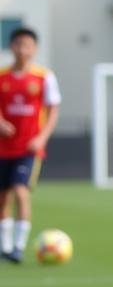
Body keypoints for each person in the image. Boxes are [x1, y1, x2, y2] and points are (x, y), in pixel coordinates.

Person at [1, 27, 61, 263]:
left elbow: (53, 109)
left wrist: (41, 138)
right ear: (11, 47)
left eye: (27, 45)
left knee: (20, 190)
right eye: (18, 45)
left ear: (34, 49)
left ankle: (18, 246)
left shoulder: (44, 77)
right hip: (3, 146)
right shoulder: (2, 76)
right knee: (2, 197)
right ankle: (4, 246)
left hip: (28, 148)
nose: (22, 50)